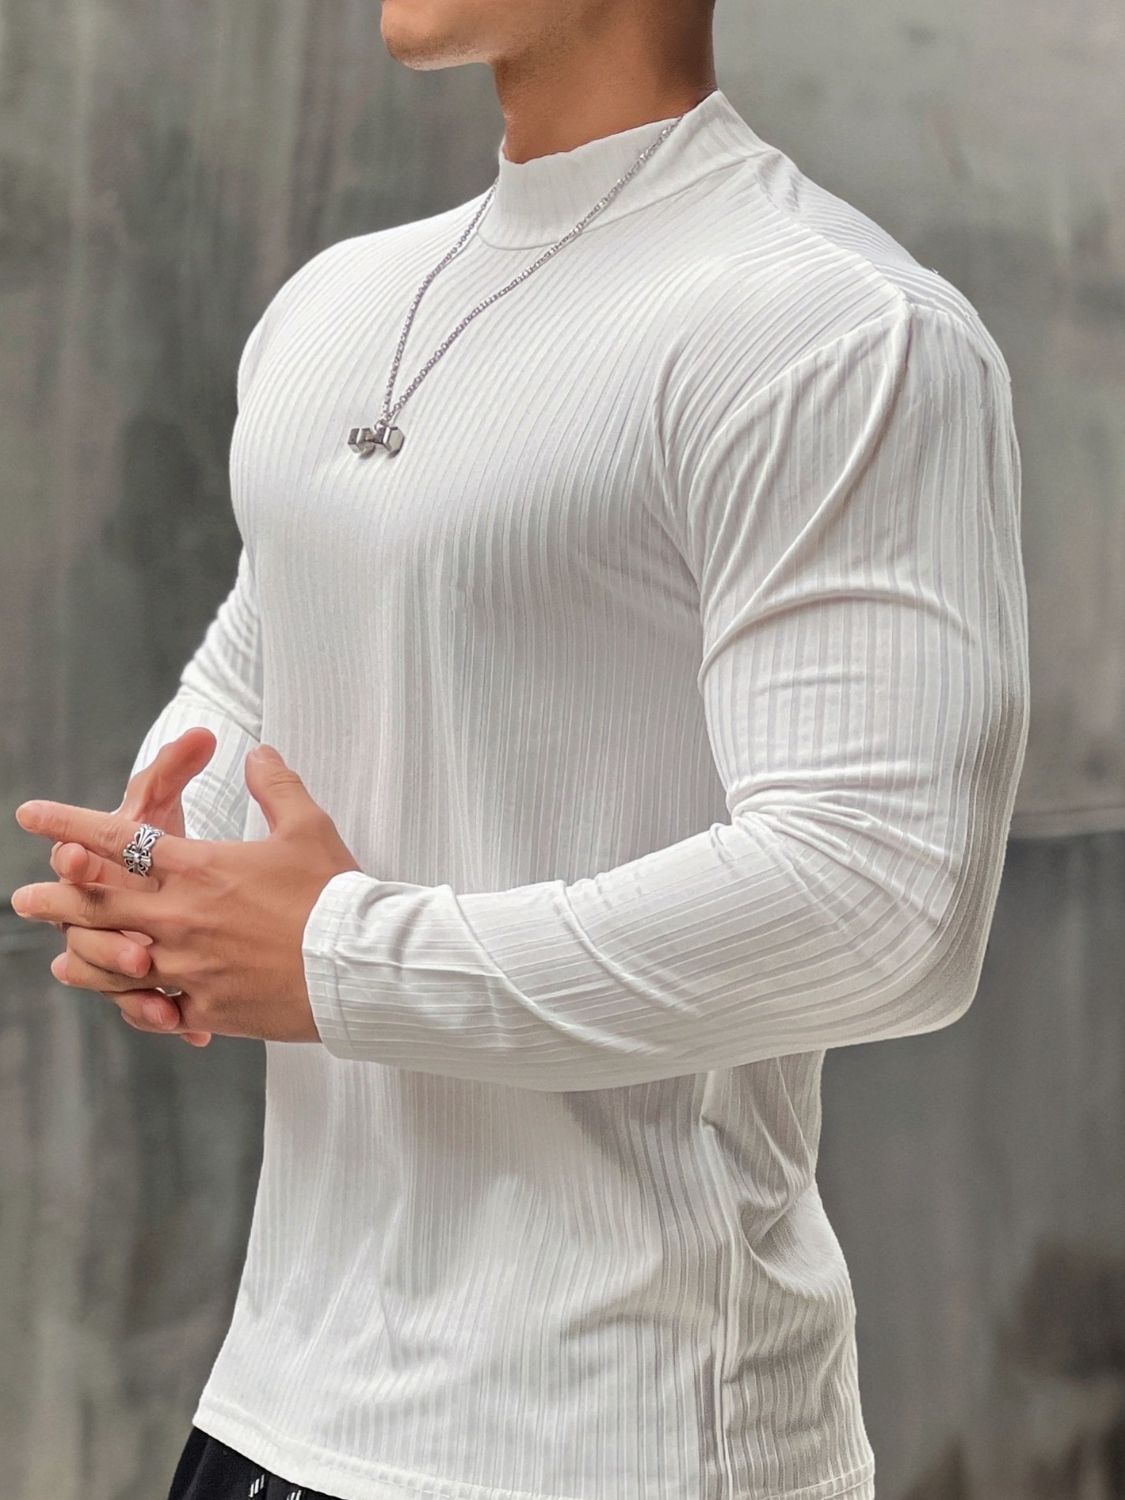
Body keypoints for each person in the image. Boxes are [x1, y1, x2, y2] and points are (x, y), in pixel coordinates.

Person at [11, 0, 1030, 1493]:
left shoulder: (836, 326)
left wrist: (338, 960)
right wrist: (156, 882)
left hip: (616, 1435)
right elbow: (258, 676)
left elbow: (879, 897)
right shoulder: (335, 302)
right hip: (269, 1408)